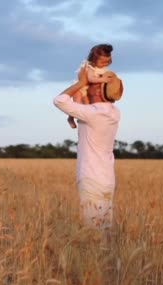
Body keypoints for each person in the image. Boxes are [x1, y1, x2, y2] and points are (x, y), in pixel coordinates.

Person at [53, 62, 124, 231]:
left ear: (99, 91)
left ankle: (97, 256)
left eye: (94, 85)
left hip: (91, 178)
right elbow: (84, 107)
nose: (90, 87)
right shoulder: (113, 112)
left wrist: (80, 83)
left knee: (92, 230)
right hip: (106, 178)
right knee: (104, 227)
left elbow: (59, 100)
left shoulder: (94, 113)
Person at [67, 44, 114, 129]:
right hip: (80, 88)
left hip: (88, 90)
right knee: (76, 103)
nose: (104, 64)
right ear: (93, 59)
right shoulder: (90, 67)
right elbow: (90, 79)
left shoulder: (103, 70)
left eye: (107, 62)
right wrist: (102, 79)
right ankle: (70, 118)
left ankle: (84, 119)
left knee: (88, 106)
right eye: (102, 62)